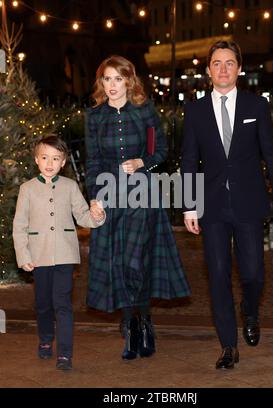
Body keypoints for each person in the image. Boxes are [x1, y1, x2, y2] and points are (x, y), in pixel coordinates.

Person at [182, 41, 273, 369]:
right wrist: (189, 205)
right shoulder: (195, 110)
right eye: (217, 63)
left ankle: (251, 310)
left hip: (249, 202)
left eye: (230, 63)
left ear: (239, 69)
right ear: (208, 70)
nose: (223, 69)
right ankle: (229, 345)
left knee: (254, 273)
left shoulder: (256, 106)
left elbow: (270, 153)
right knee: (216, 275)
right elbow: (188, 159)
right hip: (211, 206)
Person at [85, 55, 190, 360]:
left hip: (142, 195)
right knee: (119, 263)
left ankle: (142, 322)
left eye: (118, 78)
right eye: (107, 78)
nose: (113, 85)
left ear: (129, 81)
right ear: (101, 82)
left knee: (136, 261)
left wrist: (143, 160)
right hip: (110, 196)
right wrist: (94, 197)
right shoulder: (94, 117)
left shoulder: (144, 112)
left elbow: (163, 151)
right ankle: (132, 326)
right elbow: (92, 162)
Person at [13, 135, 105, 371]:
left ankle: (65, 353)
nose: (50, 163)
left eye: (55, 158)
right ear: (36, 160)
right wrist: (23, 256)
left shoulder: (70, 187)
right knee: (43, 304)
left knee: (62, 303)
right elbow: (19, 226)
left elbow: (83, 216)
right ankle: (45, 340)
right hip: (38, 255)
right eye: (45, 158)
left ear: (63, 162)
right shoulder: (27, 189)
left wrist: (97, 215)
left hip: (65, 255)